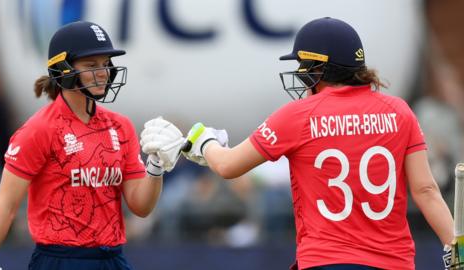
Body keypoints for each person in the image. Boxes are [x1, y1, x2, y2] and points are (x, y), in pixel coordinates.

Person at [140, 17, 455, 269]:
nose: (302, 75)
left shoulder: (299, 115)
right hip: (394, 263)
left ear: (319, 68)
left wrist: (202, 140)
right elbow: (426, 191)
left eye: (304, 68)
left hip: (326, 260)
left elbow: (227, 165)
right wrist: (458, 248)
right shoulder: (399, 111)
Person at [0, 21, 182, 270]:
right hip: (60, 260)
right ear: (63, 69)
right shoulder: (39, 129)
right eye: (91, 65)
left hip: (112, 259)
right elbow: (5, 209)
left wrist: (156, 166)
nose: (103, 72)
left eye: (105, 64)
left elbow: (141, 206)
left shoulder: (120, 126)